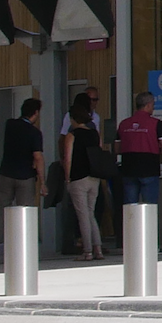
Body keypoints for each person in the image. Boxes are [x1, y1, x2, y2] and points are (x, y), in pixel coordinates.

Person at [0, 97, 45, 262]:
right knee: (24, 213)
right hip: (25, 177)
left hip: (6, 173)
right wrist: (43, 182)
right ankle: (23, 251)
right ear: (35, 113)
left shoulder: (10, 125)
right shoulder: (35, 133)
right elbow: (38, 157)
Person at [61, 97, 106, 261]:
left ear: (73, 118)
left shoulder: (72, 135)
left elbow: (68, 158)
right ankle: (98, 249)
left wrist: (67, 178)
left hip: (78, 178)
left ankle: (87, 250)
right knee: (91, 213)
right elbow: (100, 152)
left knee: (82, 215)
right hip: (94, 177)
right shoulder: (94, 134)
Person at [116, 91, 162, 207]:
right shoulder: (155, 123)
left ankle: (131, 226)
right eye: (153, 105)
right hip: (149, 168)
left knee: (130, 208)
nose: (153, 108)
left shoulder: (123, 124)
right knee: (150, 207)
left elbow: (117, 148)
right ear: (148, 105)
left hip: (128, 169)